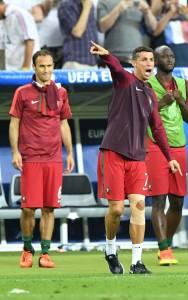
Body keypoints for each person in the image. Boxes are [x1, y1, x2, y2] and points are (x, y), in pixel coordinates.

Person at [90, 41, 181, 274]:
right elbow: (116, 69)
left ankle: (136, 263)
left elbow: (158, 129)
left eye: (151, 60)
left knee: (139, 205)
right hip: (113, 153)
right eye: (144, 59)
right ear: (134, 63)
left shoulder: (150, 94)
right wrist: (107, 54)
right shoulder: (125, 81)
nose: (149, 63)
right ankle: (110, 249)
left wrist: (169, 157)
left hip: (137, 158)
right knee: (117, 210)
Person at [9, 49, 74, 268]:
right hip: (30, 158)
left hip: (54, 158)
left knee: (49, 208)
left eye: (49, 66)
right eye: (42, 66)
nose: (46, 70)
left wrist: (70, 152)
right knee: (28, 208)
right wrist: (15, 152)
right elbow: (14, 123)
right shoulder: (22, 92)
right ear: (34, 68)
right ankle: (27, 250)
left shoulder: (61, 92)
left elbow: (63, 123)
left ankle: (45, 253)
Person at [145, 45, 188, 265]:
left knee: (177, 202)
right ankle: (164, 249)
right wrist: (162, 102)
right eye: (165, 55)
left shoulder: (183, 84)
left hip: (179, 146)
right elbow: (141, 114)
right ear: (155, 60)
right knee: (159, 200)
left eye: (172, 55)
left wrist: (180, 100)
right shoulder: (147, 85)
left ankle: (167, 244)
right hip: (156, 146)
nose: (170, 58)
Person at [97, 0, 157, 67]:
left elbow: (153, 27)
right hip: (113, 57)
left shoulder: (140, 1)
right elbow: (102, 27)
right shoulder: (105, 1)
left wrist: (147, 11)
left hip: (137, 58)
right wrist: (118, 9)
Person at [151, 0, 188, 67]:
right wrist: (171, 13)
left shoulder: (186, 18)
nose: (175, 2)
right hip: (166, 66)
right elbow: (156, 32)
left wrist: (187, 16)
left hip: (187, 64)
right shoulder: (159, 18)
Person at [0, 0, 40, 70]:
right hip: (11, 70)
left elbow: (30, 41)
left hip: (26, 70)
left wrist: (25, 69)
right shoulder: (3, 19)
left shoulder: (18, 14)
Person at [58, 0, 98, 68]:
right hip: (75, 61)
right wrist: (86, 8)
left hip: (92, 60)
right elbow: (77, 32)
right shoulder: (66, 5)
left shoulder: (89, 4)